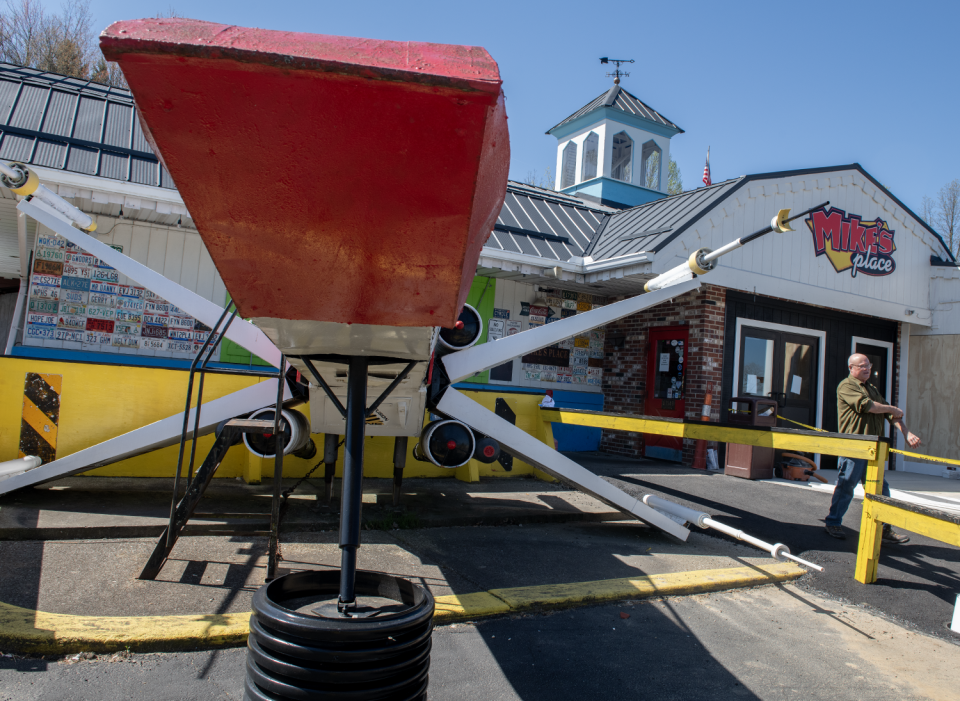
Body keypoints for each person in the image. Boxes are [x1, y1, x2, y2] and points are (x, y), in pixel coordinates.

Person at [824, 354, 921, 541]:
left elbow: (890, 414)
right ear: (851, 368)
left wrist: (906, 433)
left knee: (880, 489)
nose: (867, 368)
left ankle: (884, 529)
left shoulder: (872, 388)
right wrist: (891, 408)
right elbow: (867, 406)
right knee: (846, 485)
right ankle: (833, 523)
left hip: (873, 449)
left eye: (868, 365)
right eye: (862, 366)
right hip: (855, 446)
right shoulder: (847, 385)